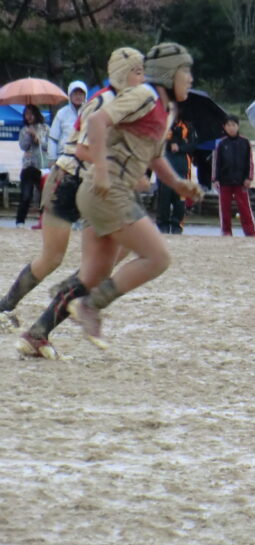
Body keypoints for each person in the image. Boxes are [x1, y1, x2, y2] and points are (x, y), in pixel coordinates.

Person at [16, 42, 203, 358]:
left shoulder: (166, 109)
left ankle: (38, 333)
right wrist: (102, 169)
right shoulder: (145, 96)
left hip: (105, 192)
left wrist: (178, 184)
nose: (191, 79)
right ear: (171, 73)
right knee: (157, 258)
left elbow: (155, 156)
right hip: (105, 189)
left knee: (92, 275)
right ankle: (88, 306)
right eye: (187, 72)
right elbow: (98, 122)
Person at [0, 48, 145, 332]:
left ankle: (67, 299)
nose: (144, 78)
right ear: (122, 74)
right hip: (68, 180)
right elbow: (83, 150)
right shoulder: (104, 102)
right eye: (138, 71)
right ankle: (6, 305)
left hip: (94, 186)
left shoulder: (128, 104)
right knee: (52, 257)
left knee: (121, 248)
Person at [212, 114, 255, 237]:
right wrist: (215, 179)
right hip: (225, 181)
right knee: (225, 208)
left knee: (244, 207)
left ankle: (250, 231)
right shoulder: (221, 143)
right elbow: (216, 162)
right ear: (224, 127)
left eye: (233, 125)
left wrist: (249, 178)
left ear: (238, 126)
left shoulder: (245, 142)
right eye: (228, 125)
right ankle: (226, 231)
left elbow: (249, 161)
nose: (231, 128)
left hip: (241, 181)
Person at [157, 115, 196, 234]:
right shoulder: (163, 123)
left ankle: (177, 225)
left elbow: (193, 145)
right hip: (165, 166)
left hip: (182, 167)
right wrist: (170, 143)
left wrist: (179, 147)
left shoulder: (188, 126)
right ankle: (163, 224)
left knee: (180, 200)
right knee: (164, 197)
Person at [16, 105, 50, 227]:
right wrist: (29, 136)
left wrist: (38, 138)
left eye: (31, 113)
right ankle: (20, 221)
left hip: (43, 165)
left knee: (43, 194)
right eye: (26, 114)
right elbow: (23, 146)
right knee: (26, 194)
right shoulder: (24, 130)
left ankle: (43, 220)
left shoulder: (46, 128)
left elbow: (49, 145)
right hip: (29, 166)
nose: (29, 116)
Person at [47, 80, 87, 164]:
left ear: (85, 95)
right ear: (70, 95)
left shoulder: (90, 112)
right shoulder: (62, 113)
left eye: (81, 94)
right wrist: (52, 159)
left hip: (84, 158)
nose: (78, 96)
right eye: (75, 94)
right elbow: (53, 139)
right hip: (64, 157)